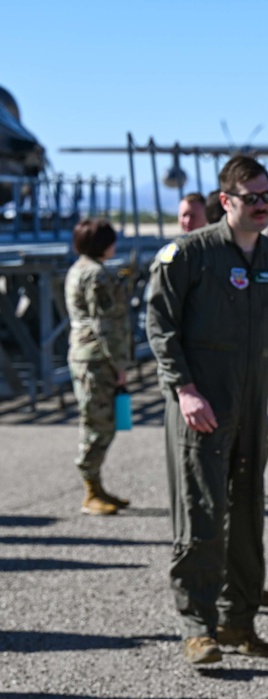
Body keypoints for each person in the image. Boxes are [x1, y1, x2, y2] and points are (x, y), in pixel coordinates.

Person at [146, 155, 268, 665]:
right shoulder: (188, 255)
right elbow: (160, 325)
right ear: (226, 201)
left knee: (248, 516)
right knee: (202, 515)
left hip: (250, 408)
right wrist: (183, 389)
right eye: (253, 198)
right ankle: (197, 626)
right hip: (201, 404)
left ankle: (238, 621)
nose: (264, 206)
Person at [65, 218, 131, 516]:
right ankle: (90, 490)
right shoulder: (97, 275)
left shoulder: (79, 268)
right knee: (98, 423)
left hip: (86, 354)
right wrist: (119, 364)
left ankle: (96, 486)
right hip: (97, 358)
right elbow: (106, 325)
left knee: (98, 420)